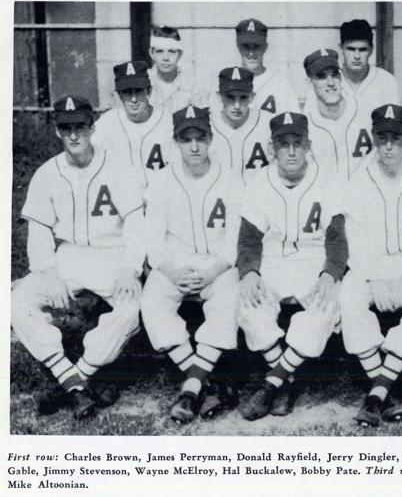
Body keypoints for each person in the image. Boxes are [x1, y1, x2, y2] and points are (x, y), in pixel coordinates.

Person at [11, 96, 145, 420]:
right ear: (58, 131)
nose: (74, 135)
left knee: (132, 310)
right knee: (16, 301)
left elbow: (137, 222)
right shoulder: (47, 173)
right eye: (66, 128)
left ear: (92, 128)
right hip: (68, 258)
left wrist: (131, 268)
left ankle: (74, 379)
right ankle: (72, 380)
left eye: (80, 127)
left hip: (112, 257)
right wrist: (48, 273)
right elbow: (40, 232)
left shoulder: (117, 167)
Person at [237, 111, 348, 420]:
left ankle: (272, 383)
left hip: (313, 262)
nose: (290, 151)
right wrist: (249, 273)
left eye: (297, 143)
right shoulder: (258, 182)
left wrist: (330, 273)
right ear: (272, 149)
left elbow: (337, 239)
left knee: (325, 307)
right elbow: (248, 240)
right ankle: (287, 381)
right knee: (248, 304)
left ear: (308, 145)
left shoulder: (327, 181)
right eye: (283, 144)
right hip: (272, 262)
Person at [339, 104, 402, 427]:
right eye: (382, 137)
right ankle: (384, 390)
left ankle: (375, 394)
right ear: (372, 138)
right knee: (349, 294)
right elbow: (352, 237)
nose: (388, 145)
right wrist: (372, 279)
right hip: (371, 268)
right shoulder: (359, 179)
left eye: (395, 138)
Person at [140, 105, 242, 424]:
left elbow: (236, 238)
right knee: (152, 302)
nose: (194, 146)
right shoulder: (161, 180)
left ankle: (190, 388)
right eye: (186, 139)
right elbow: (153, 242)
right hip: (175, 263)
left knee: (228, 299)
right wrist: (172, 271)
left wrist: (214, 270)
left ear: (211, 138)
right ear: (176, 142)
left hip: (218, 264)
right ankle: (203, 380)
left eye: (200, 138)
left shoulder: (230, 177)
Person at [92, 60, 173, 191]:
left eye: (138, 91)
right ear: (119, 95)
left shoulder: (168, 122)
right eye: (127, 92)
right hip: (121, 200)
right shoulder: (106, 124)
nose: (133, 99)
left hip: (161, 200)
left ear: (149, 91)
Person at [302, 48, 373, 182]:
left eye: (334, 74)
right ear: (309, 83)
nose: (331, 83)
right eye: (322, 76)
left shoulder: (366, 112)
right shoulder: (305, 125)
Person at [210, 66, 273, 184]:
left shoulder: (268, 124)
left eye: (243, 97)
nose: (237, 105)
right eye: (230, 97)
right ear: (219, 96)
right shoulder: (206, 126)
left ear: (252, 97)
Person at [233, 18, 300, 115]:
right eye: (246, 46)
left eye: (256, 46)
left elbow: (294, 124)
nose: (251, 53)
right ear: (238, 47)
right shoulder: (225, 81)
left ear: (265, 47)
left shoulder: (281, 85)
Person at [339, 19, 400, 115]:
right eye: (351, 49)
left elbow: (393, 126)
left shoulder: (386, 81)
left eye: (362, 50)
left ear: (371, 50)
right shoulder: (328, 80)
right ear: (341, 48)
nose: (357, 56)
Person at [147, 25, 206, 114]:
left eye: (171, 51)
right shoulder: (143, 82)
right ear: (151, 54)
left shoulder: (193, 86)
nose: (165, 58)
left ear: (180, 54)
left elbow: (202, 120)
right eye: (159, 51)